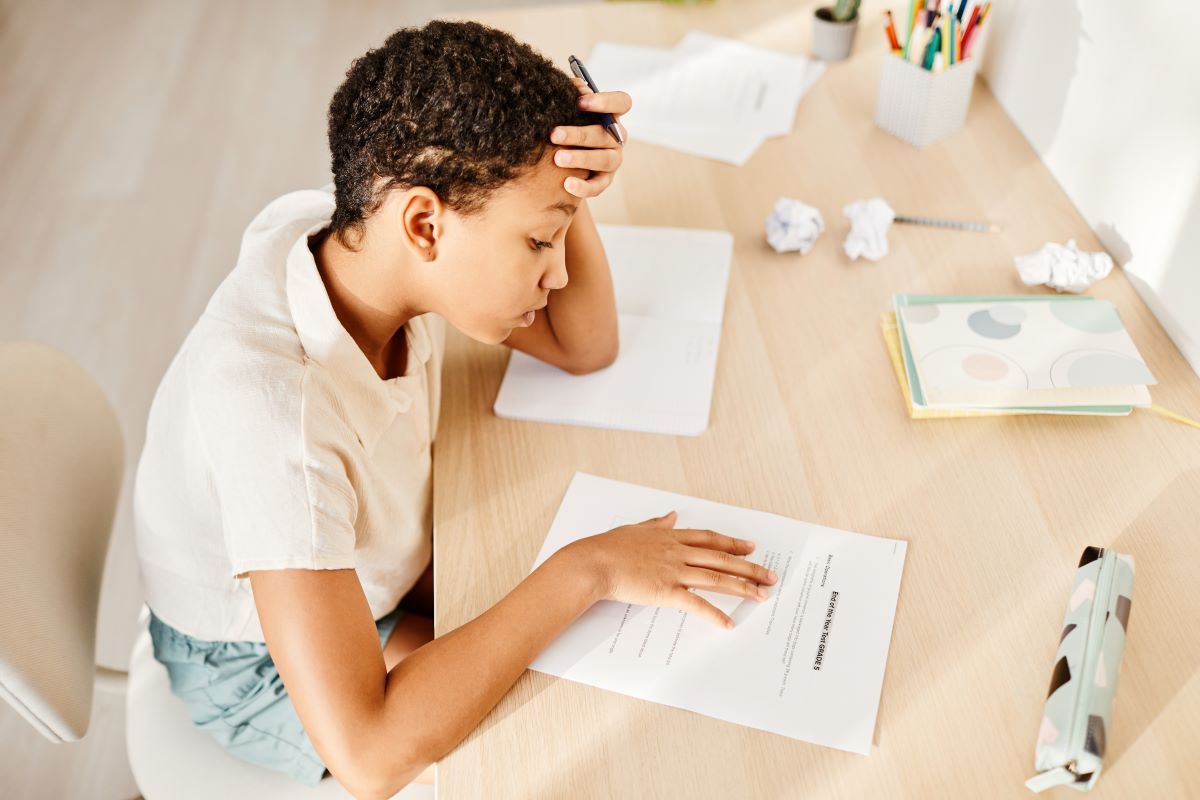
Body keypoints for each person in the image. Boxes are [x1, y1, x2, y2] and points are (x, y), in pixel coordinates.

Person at [133, 20, 777, 799]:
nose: (559, 275)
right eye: (540, 244)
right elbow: (370, 755)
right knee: (550, 728)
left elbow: (585, 346)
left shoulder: (366, 244)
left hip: (373, 558)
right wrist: (590, 567)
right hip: (252, 656)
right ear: (426, 224)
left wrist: (564, 194)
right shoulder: (278, 416)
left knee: (572, 653)